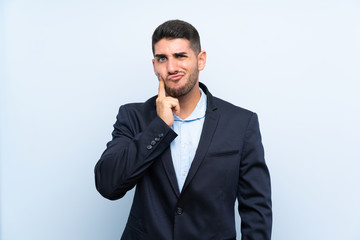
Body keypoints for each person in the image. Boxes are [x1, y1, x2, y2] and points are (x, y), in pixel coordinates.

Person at [95, 19, 272, 240]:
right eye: (162, 59)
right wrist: (159, 127)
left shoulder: (241, 123)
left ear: (201, 60)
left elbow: (256, 208)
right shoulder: (133, 116)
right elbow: (108, 185)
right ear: (154, 66)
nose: (171, 68)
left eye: (180, 56)